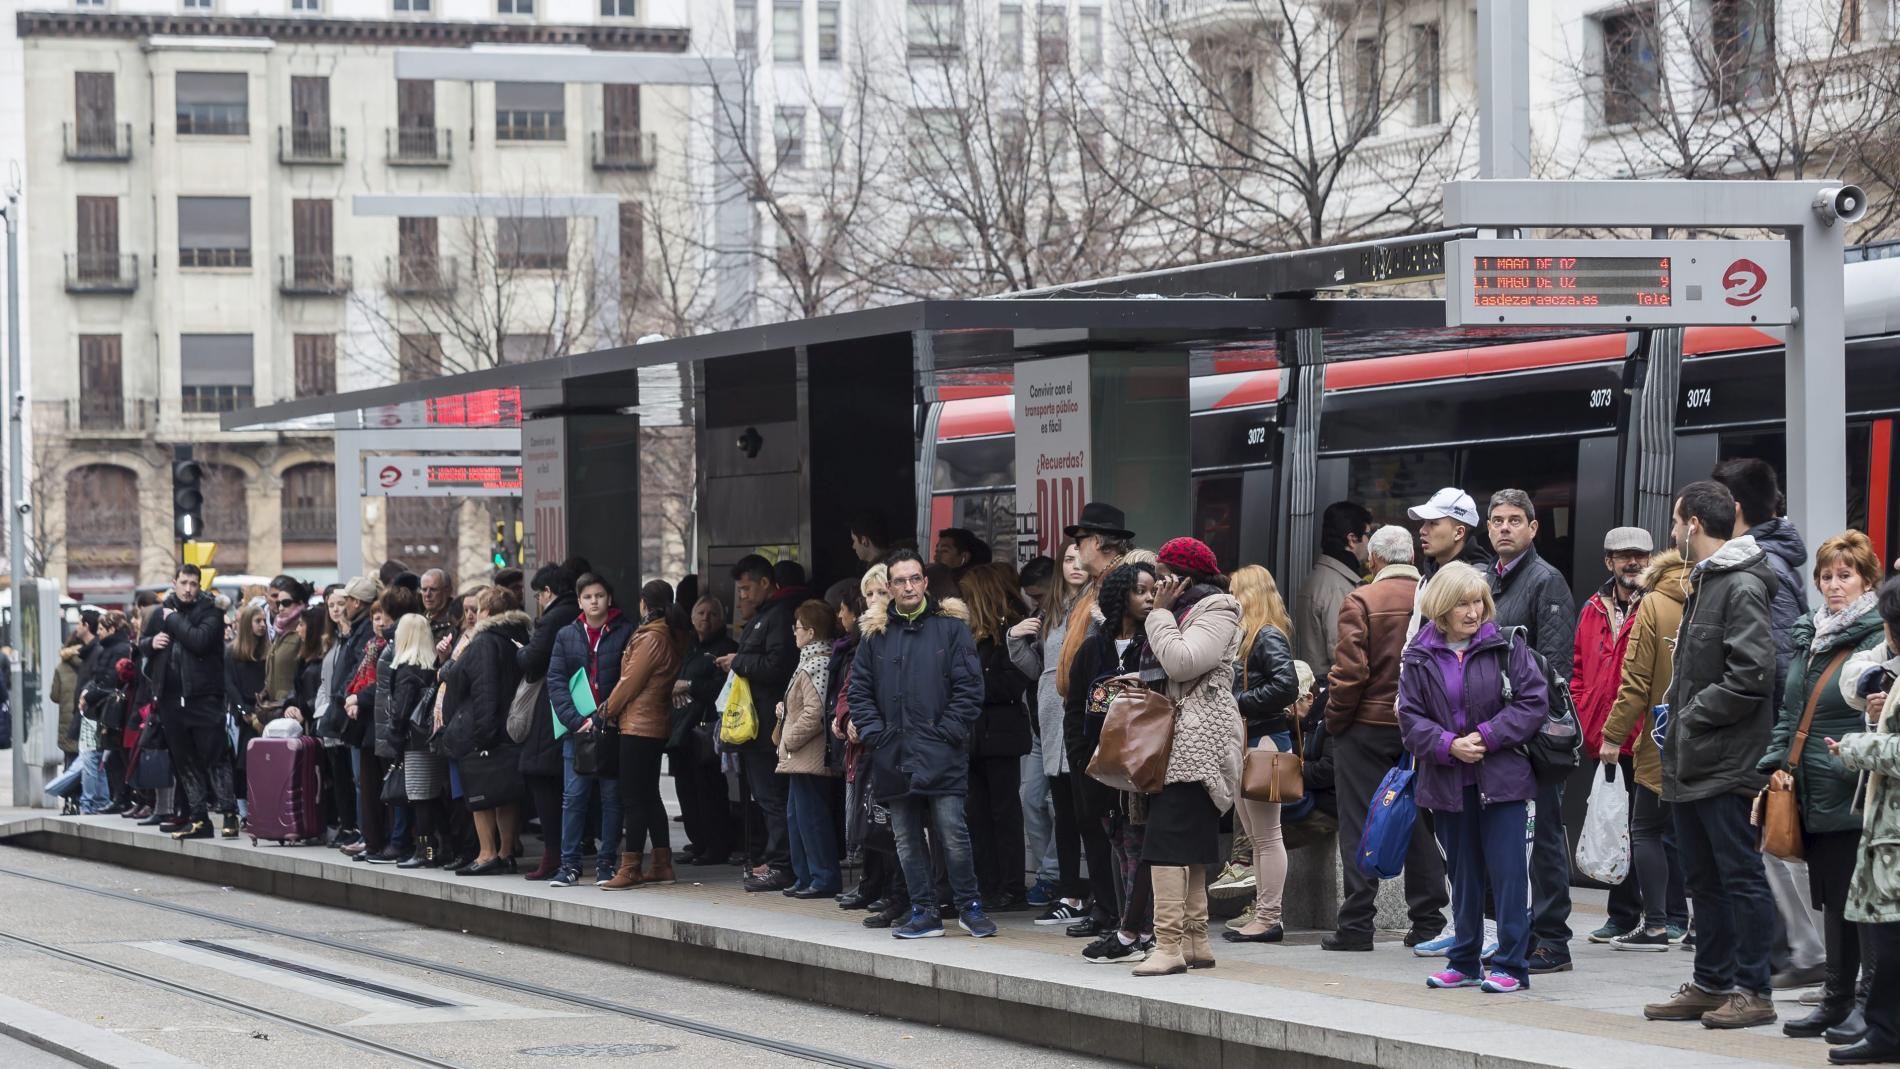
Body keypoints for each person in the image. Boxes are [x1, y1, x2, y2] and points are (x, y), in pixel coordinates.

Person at [1642, 480, 1780, 1030]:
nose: (1673, 532)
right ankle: (1710, 981)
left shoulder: (1740, 585)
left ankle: (1754, 989)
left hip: (1725, 762)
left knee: (1740, 877)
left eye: (1677, 521)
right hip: (1693, 760)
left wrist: (1690, 716)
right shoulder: (1705, 582)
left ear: (1692, 524)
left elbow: (1751, 675)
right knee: (1703, 880)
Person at [1398, 561, 1549, 994]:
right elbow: (1410, 719)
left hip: (1502, 779)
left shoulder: (1507, 645)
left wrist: (1484, 736)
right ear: (1441, 609)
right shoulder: (1418, 655)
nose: (1473, 611)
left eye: (1478, 601)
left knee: (1508, 876)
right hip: (1447, 780)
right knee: (1462, 877)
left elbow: (1532, 702)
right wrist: (1448, 744)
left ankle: (1511, 966)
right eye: (1462, 603)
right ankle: (1464, 960)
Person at [1757, 532, 1886, 1039]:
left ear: (1868, 580)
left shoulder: (1878, 637)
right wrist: (1774, 763)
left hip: (1854, 785)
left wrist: (1845, 759)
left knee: (1861, 898)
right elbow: (1792, 709)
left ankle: (1867, 1001)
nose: (1835, 586)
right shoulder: (1810, 634)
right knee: (1833, 897)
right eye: (1827, 576)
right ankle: (1835, 998)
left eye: (1846, 575)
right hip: (1811, 784)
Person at [1710, 458, 1826, 989]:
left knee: (1778, 843)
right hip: (1774, 731)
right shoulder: (1772, 559)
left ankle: (1811, 952)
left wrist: (1776, 747)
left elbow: (1775, 661)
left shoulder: (1762, 568)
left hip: (1769, 736)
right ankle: (1803, 951)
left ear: (1732, 509)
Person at [848, 550, 991, 940]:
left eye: (915, 579)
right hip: (893, 752)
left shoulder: (951, 628)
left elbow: (970, 688)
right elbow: (859, 691)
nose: (908, 586)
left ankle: (970, 908)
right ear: (890, 587)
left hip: (941, 750)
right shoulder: (875, 634)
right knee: (907, 840)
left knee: (953, 834)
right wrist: (877, 735)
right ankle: (924, 912)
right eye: (900, 581)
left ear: (925, 583)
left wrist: (947, 732)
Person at [1324, 525, 1449, 952]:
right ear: (1412, 558)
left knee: (1360, 822)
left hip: (1365, 727)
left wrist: (1336, 720)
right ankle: (1428, 920)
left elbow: (1350, 673)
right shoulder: (1433, 597)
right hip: (1420, 728)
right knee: (1420, 823)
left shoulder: (1361, 599)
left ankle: (1357, 924)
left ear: (1374, 560)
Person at [1127, 537, 1245, 977]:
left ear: (1184, 577)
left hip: (1197, 742)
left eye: (1162, 578)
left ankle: (1168, 945)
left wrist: (1159, 613)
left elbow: (1182, 662)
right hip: (1178, 741)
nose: (1154, 589)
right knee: (1188, 846)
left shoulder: (1217, 608)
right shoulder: (1183, 612)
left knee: (1166, 845)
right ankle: (1195, 940)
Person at [1484, 488, 1579, 975]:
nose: (1504, 527)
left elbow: (1556, 670)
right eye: (1497, 519)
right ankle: (1509, 931)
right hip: (1493, 734)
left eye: (1515, 520)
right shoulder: (1483, 579)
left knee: (1542, 839)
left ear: (1533, 528)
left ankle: (1553, 941)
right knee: (1503, 840)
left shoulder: (1547, 581)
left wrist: (1526, 728)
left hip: (1533, 738)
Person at [1599, 546, 1692, 952]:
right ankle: (1696, 926)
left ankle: (1654, 925)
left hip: (1662, 737)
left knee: (1647, 830)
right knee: (1695, 833)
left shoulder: (1653, 604)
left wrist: (1612, 735)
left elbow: (1635, 682)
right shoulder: (1708, 593)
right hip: (1709, 737)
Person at [1064, 561, 1159, 963]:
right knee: (1117, 845)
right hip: (1099, 770)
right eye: (1141, 590)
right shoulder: (1093, 648)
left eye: (1153, 590)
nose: (1150, 598)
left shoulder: (1154, 643)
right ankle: (1129, 926)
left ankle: (1141, 929)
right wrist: (1082, 759)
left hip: (1142, 768)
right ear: (1121, 595)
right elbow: (1073, 710)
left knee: (1138, 847)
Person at [1053, 501, 1138, 939]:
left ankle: (1116, 912)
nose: (1076, 545)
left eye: (1081, 538)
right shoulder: (1090, 589)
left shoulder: (1120, 586)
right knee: (1091, 820)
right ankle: (1105, 908)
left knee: (1110, 824)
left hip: (1110, 721)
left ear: (1099, 543)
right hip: (1083, 717)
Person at [1828, 576, 1900, 1065]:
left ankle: (1885, 1030)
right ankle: (1884, 1029)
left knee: (1891, 938)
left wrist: (1857, 747)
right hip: (1887, 829)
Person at [1573, 526, 1654, 942]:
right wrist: (1585, 715)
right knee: (1614, 823)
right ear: (1609, 562)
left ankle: (1658, 916)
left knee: (1647, 830)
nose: (1633, 562)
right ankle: (1622, 914)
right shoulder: (1593, 607)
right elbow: (1578, 669)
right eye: (1624, 556)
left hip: (1643, 737)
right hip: (1602, 736)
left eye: (1640, 554)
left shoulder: (1656, 604)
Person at [1009, 543, 1091, 925]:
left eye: (1080, 559)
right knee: (1054, 806)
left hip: (1083, 725)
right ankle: (1067, 889)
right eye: (1068, 560)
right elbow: (1038, 671)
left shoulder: (1096, 606)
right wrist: (1016, 639)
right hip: (1052, 725)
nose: (1075, 566)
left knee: (1083, 812)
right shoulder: (1053, 612)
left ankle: (1083, 893)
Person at [1222, 564, 1299, 943]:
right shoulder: (1251, 636)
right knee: (1258, 835)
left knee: (1266, 835)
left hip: (1263, 741)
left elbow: (1287, 687)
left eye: (1233, 589)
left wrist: (1237, 701)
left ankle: (1269, 917)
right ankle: (1264, 913)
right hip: (1250, 741)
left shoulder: (1266, 635)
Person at [600, 579, 689, 888]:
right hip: (652, 722)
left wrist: (607, 709)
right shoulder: (667, 633)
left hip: (639, 724)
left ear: (643, 603)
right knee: (649, 796)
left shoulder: (653, 637)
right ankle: (662, 864)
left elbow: (630, 681)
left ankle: (631, 867)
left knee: (633, 798)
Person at [547, 572, 634, 888]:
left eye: (599, 595)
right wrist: (576, 720)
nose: (594, 601)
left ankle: (606, 863)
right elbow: (556, 681)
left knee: (612, 798)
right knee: (574, 797)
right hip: (578, 730)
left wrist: (605, 716)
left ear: (609, 598)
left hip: (613, 726)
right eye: (587, 597)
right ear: (580, 601)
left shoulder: (626, 631)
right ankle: (568, 865)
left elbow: (630, 679)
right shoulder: (566, 634)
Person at [719, 555, 800, 891]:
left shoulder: (778, 616)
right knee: (764, 797)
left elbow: (777, 664)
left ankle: (782, 864)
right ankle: (775, 858)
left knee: (772, 797)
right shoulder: (763, 616)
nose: (743, 597)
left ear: (766, 583)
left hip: (769, 722)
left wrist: (739, 661)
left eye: (747, 589)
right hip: (754, 725)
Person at [441, 585, 531, 876]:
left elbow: (485, 690)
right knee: (505, 793)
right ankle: (505, 852)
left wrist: (483, 734)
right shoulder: (518, 637)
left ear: (488, 612)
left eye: (478, 609)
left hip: (484, 728)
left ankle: (486, 853)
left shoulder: (484, 642)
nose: (474, 615)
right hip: (511, 726)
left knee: (480, 795)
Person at [143, 564, 234, 841]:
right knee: (184, 761)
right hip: (171, 699)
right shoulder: (162, 612)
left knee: (215, 757)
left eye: (193, 584)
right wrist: (150, 643)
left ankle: (230, 814)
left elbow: (199, 641)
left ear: (200, 585)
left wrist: (172, 621)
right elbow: (140, 645)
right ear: (174, 582)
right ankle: (198, 819)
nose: (188, 589)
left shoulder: (211, 610)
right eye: (183, 583)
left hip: (204, 697)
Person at [959, 564, 1032, 912]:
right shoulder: (970, 634)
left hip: (1001, 734)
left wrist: (969, 689)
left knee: (1004, 812)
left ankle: (1011, 886)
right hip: (973, 735)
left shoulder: (1012, 630)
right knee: (976, 813)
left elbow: (1013, 684)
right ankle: (987, 884)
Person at [518, 564, 580, 882]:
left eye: (537, 595)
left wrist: (522, 653)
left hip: (552, 707)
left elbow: (533, 659)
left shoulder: (553, 617)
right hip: (577, 703)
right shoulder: (576, 613)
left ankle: (555, 854)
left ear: (547, 592)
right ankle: (570, 852)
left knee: (543, 778)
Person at [776, 599, 842, 897]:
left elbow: (814, 714)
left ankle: (822, 878)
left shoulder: (818, 662)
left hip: (807, 753)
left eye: (798, 627)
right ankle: (805, 876)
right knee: (797, 816)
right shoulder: (809, 660)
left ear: (811, 632)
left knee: (811, 817)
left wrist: (789, 738)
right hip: (799, 755)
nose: (794, 632)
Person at [673, 596, 737, 867]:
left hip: (708, 729)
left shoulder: (727, 650)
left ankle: (716, 846)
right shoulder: (687, 647)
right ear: (691, 617)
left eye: (712, 614)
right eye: (700, 612)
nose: (705, 618)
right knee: (686, 791)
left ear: (722, 619)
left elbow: (722, 689)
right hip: (680, 731)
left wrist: (689, 684)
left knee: (710, 791)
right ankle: (698, 842)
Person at [363, 584, 424, 864]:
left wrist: (394, 730)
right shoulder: (393, 645)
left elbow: (398, 697)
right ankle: (400, 840)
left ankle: (402, 841)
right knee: (403, 788)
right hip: (391, 726)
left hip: (397, 728)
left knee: (405, 789)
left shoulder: (404, 654)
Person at [387, 614, 445, 868]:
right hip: (433, 738)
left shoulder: (406, 668)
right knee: (433, 796)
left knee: (420, 797)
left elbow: (400, 712)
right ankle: (439, 850)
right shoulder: (433, 666)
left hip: (414, 741)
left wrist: (394, 738)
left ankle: (426, 853)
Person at [1407, 488, 1496, 642]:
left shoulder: (1482, 579)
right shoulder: (1425, 580)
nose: (1422, 530)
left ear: (1459, 532)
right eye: (1424, 523)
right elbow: (1413, 638)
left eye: (1433, 523)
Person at [1295, 501, 1372, 678]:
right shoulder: (1338, 588)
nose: (1370, 542)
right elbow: (1343, 657)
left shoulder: (1319, 578)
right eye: (1368, 534)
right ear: (1352, 539)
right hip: (1333, 689)